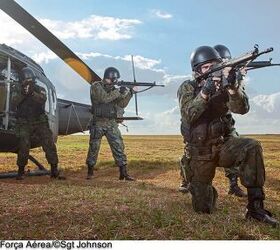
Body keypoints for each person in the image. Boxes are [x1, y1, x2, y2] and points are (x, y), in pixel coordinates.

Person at [177, 46, 278, 227]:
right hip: (200, 152)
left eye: (214, 65)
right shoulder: (188, 87)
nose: (211, 70)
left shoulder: (226, 83)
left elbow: (242, 109)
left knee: (252, 146)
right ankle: (199, 186)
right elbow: (188, 115)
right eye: (206, 67)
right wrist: (205, 92)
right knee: (203, 208)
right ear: (197, 71)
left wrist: (232, 88)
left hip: (223, 145)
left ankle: (256, 209)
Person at [13, 67, 65, 180]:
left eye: (29, 80)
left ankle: (54, 169)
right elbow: (13, 102)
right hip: (24, 122)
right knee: (23, 145)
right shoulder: (18, 90)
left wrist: (32, 93)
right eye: (25, 80)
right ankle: (21, 171)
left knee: (48, 143)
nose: (27, 82)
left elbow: (42, 99)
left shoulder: (39, 89)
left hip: (39, 121)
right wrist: (23, 93)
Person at [86, 67, 135, 181]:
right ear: (108, 77)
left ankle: (123, 173)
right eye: (114, 79)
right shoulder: (96, 86)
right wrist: (118, 91)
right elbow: (104, 99)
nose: (115, 81)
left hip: (111, 123)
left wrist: (130, 93)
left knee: (118, 146)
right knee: (94, 148)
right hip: (98, 122)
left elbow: (122, 104)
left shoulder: (114, 90)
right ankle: (90, 171)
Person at [213, 44, 246, 197]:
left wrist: (237, 82)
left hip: (225, 123)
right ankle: (187, 181)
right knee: (191, 151)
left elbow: (240, 107)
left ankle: (233, 184)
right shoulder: (206, 77)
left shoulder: (232, 76)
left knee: (235, 143)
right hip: (205, 125)